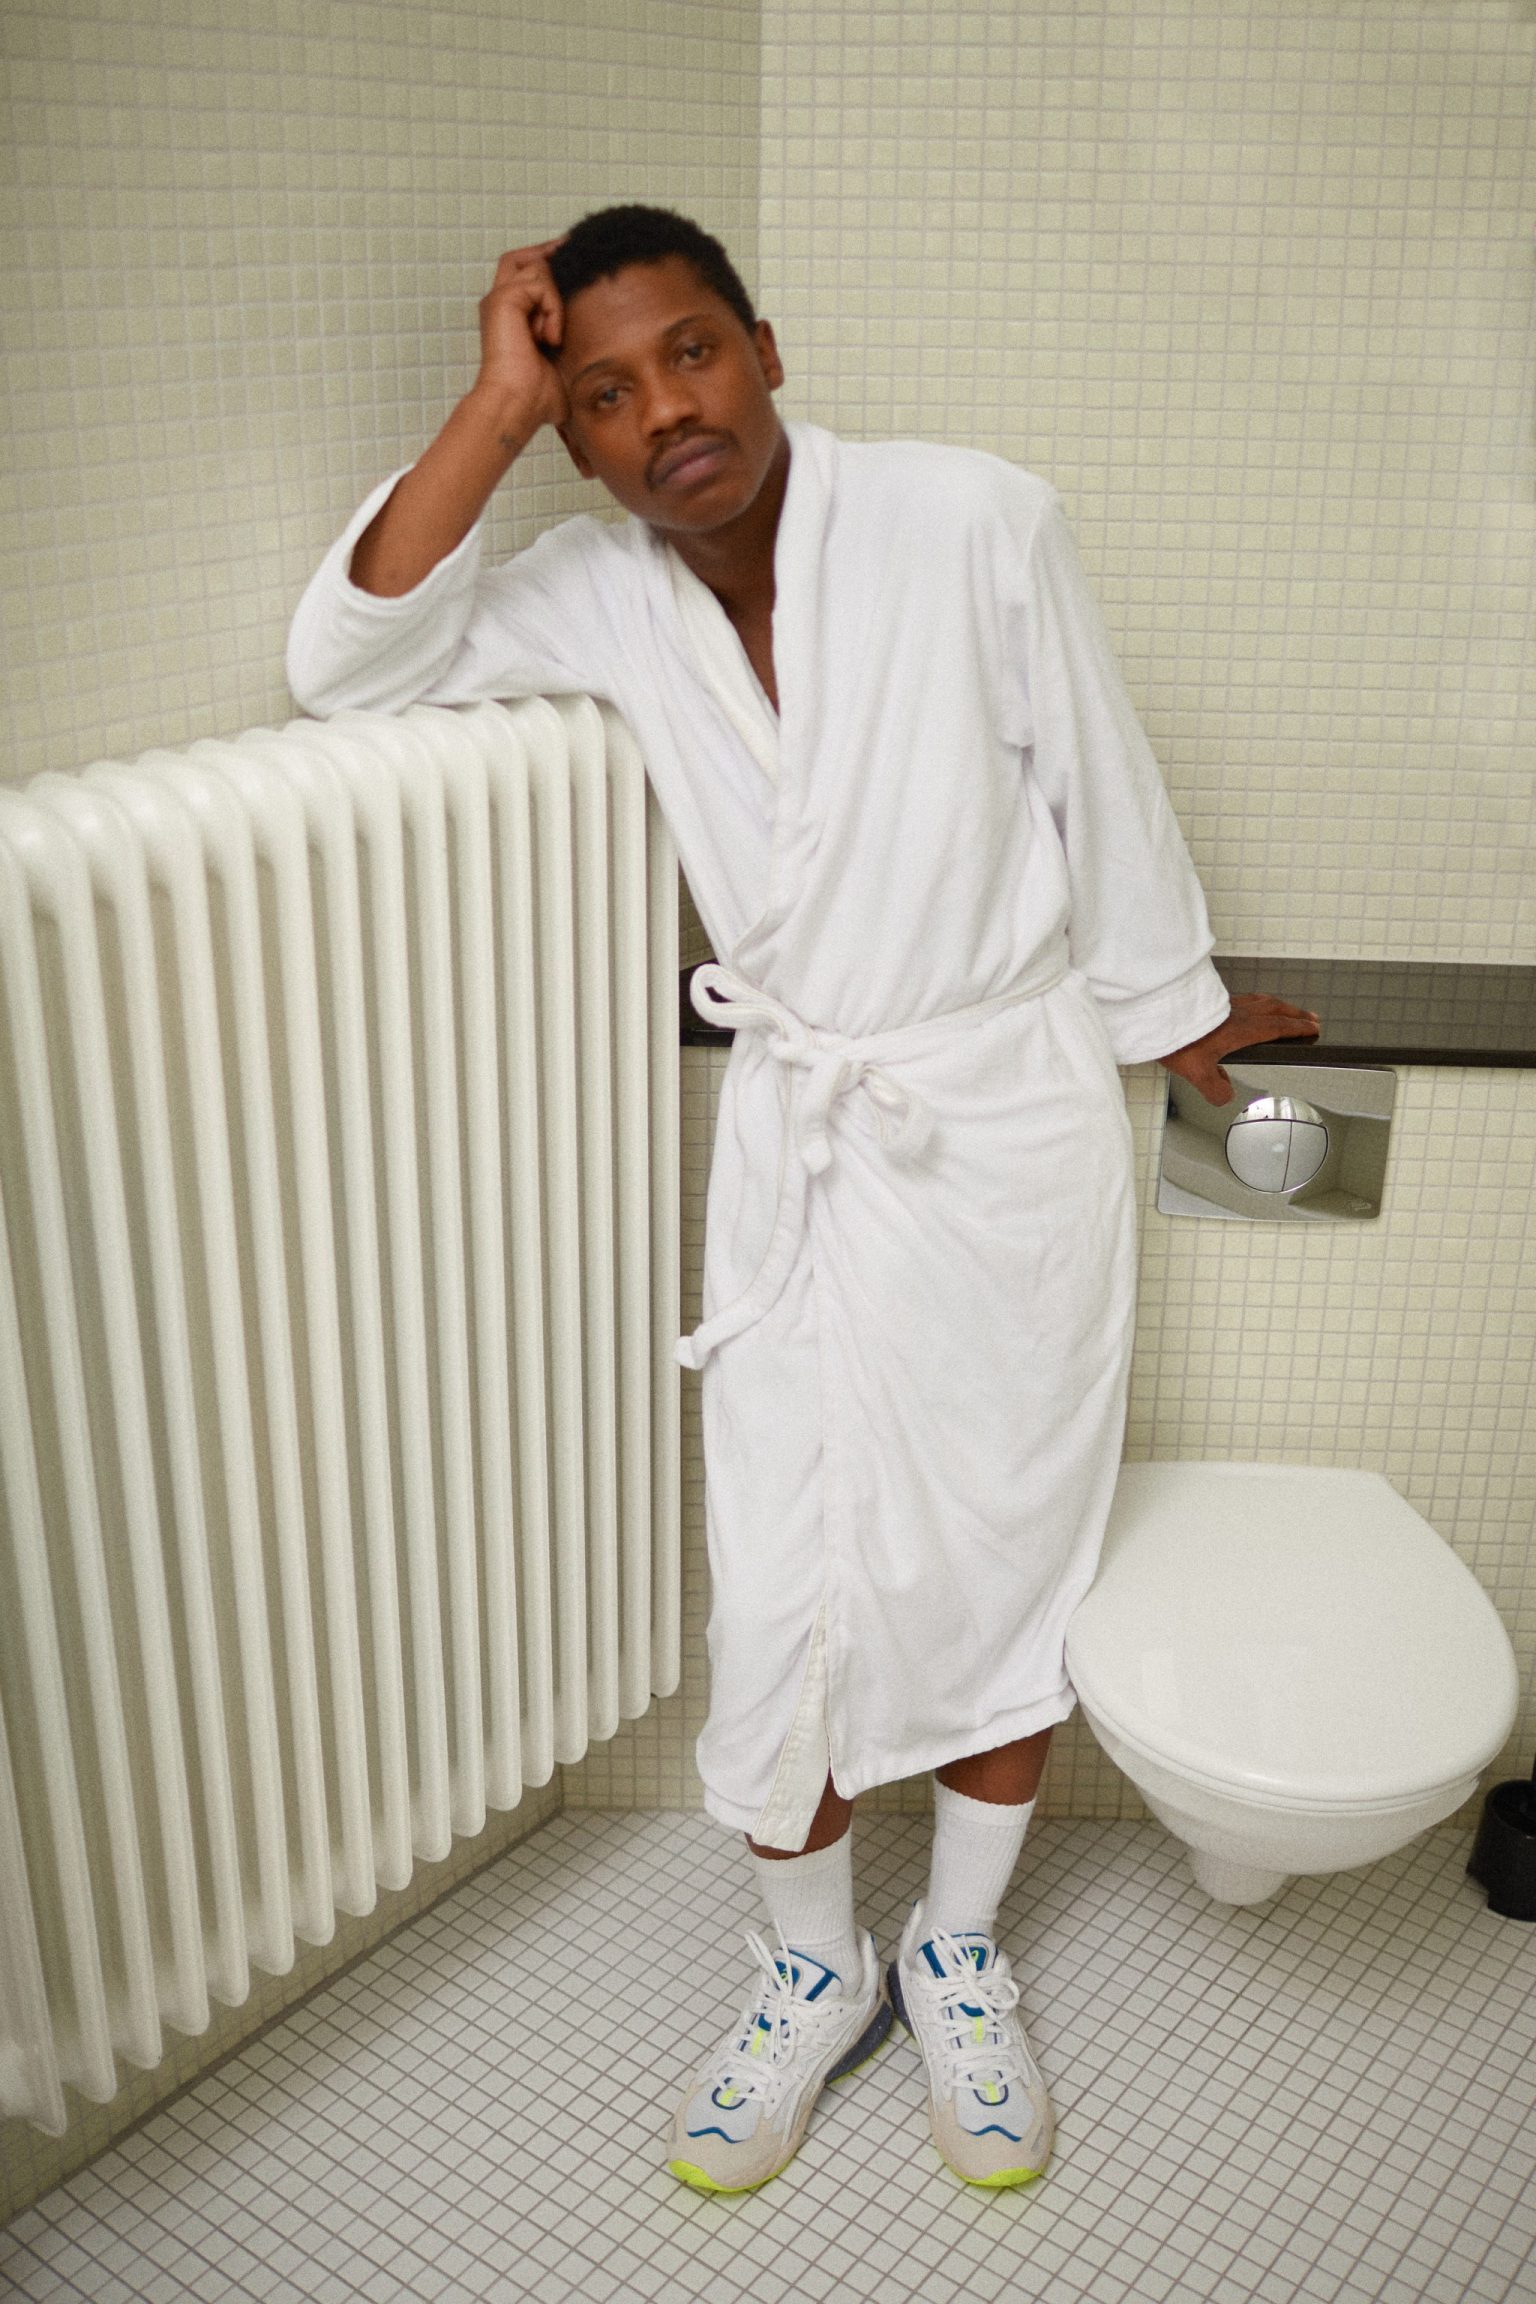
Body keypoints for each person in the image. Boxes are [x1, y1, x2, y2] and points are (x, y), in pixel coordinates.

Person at [287, 204, 1317, 2196]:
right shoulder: (596, 588)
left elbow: (1104, 791)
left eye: (685, 354)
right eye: (599, 394)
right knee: (782, 1592)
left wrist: (1175, 1014)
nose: (660, 411)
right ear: (580, 442)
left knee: (1010, 1553)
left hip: (1003, 1125)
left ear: (763, 345)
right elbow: (347, 664)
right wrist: (493, 408)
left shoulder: (972, 520)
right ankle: (809, 1971)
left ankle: (955, 1950)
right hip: (807, 1133)